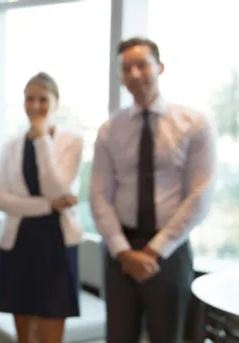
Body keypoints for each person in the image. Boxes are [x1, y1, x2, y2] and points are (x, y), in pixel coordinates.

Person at [90, 37, 216, 343]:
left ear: (159, 67)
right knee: (118, 337)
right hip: (120, 252)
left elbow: (201, 193)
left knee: (168, 336)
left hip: (169, 252)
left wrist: (153, 250)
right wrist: (123, 251)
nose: (135, 74)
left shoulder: (193, 124)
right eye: (126, 68)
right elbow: (98, 195)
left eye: (142, 65)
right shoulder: (110, 129)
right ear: (120, 76)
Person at [0, 72, 84, 343]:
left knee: (50, 335)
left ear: (56, 103)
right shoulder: (11, 146)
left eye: (43, 99)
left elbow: (58, 188)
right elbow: (0, 200)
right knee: (24, 336)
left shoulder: (72, 141)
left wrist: (42, 138)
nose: (35, 106)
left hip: (57, 243)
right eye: (30, 99)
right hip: (18, 242)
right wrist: (48, 205)